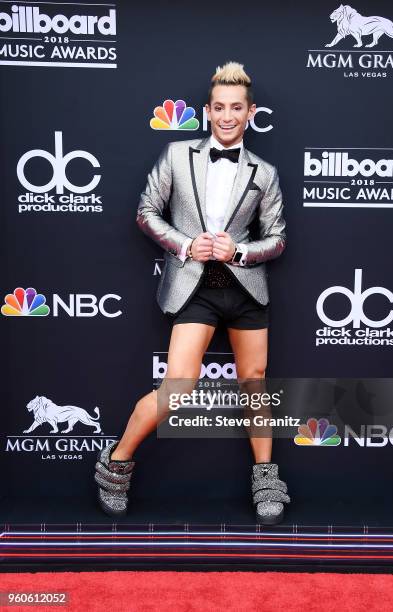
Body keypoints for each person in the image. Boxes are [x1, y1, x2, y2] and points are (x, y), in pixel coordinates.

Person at [94, 62, 290, 524]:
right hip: (194, 287)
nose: (227, 116)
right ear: (207, 111)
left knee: (255, 383)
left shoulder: (265, 172)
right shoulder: (177, 155)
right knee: (178, 386)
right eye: (219, 107)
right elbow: (146, 211)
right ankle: (115, 463)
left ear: (250, 112)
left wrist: (240, 250)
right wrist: (185, 244)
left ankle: (266, 479)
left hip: (244, 288)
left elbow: (278, 238)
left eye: (236, 108)